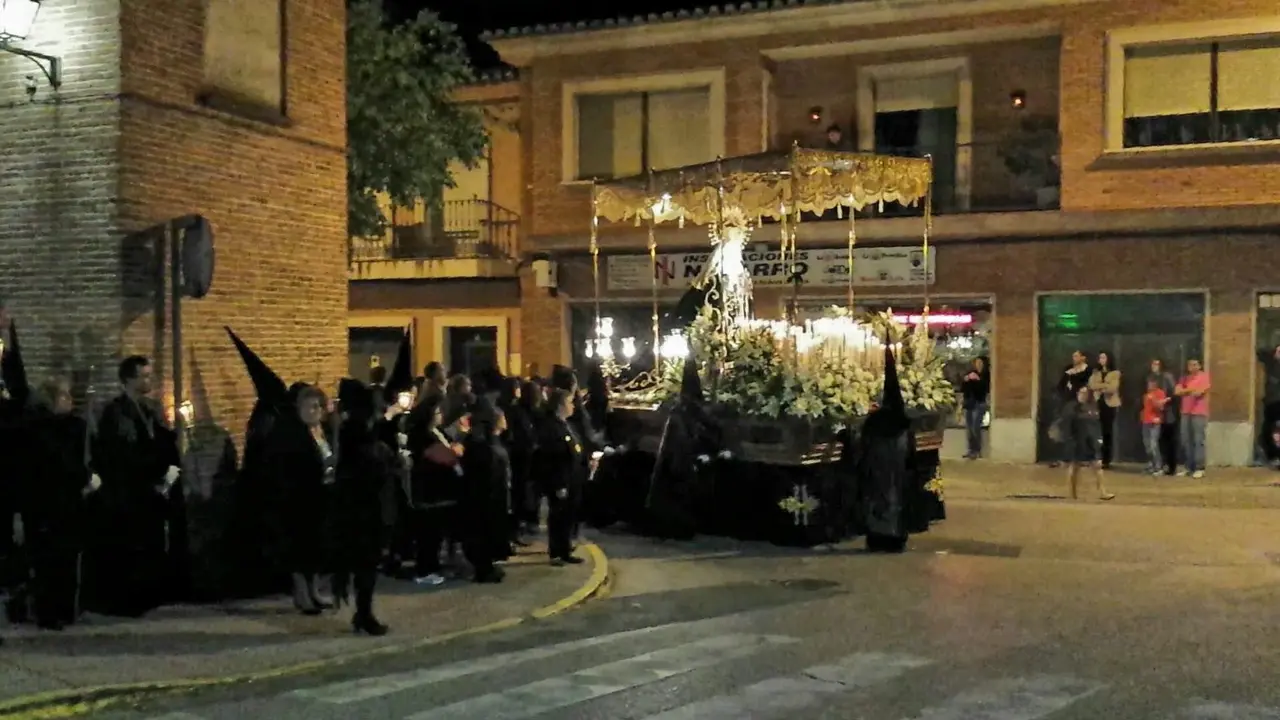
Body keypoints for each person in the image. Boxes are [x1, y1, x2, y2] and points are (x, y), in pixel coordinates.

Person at [86, 356, 184, 617]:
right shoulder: (117, 412)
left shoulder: (148, 408)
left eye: (150, 375)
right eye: (144, 376)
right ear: (129, 379)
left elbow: (159, 442)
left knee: (150, 544)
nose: (149, 380)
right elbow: (123, 454)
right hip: (128, 492)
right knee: (130, 547)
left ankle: (148, 594)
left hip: (148, 491)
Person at [23, 378, 96, 630]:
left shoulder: (69, 427)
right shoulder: (42, 431)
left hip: (64, 503)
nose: (70, 400)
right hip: (50, 503)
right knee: (51, 560)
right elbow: (59, 465)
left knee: (65, 557)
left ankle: (63, 609)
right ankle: (50, 611)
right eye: (64, 396)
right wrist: (83, 478)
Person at [331, 379, 396, 636]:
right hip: (363, 506)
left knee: (366, 562)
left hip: (360, 504)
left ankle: (363, 612)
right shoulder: (356, 432)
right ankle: (364, 613)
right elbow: (369, 466)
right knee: (366, 562)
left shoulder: (354, 430)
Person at [265, 384, 336, 615]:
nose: (314, 411)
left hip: (321, 496)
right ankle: (302, 594)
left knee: (317, 548)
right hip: (298, 499)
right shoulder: (292, 435)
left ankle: (314, 590)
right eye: (309, 407)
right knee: (299, 548)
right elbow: (289, 469)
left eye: (317, 406)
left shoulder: (322, 431)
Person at [405, 394, 460, 586]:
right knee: (428, 533)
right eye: (437, 412)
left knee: (436, 533)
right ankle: (425, 570)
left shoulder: (436, 432)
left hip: (439, 488)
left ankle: (433, 566)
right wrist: (454, 452)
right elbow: (447, 457)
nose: (440, 415)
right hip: (430, 490)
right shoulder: (424, 436)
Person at [460, 400, 512, 583]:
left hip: (489, 493)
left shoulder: (486, 441)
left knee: (488, 530)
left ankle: (487, 564)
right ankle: (483, 569)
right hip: (486, 495)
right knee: (484, 531)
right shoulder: (484, 445)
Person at [540, 389, 588, 565]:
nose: (573, 405)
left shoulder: (566, 424)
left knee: (568, 515)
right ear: (560, 405)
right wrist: (559, 484)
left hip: (573, 478)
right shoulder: (552, 428)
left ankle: (565, 549)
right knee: (559, 515)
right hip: (562, 480)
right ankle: (556, 552)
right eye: (569, 402)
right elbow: (554, 458)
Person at [498, 378, 535, 547]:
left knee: (518, 496)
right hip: (516, 457)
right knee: (515, 497)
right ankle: (511, 534)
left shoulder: (515, 408)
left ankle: (514, 532)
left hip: (519, 456)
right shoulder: (511, 410)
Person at [1063, 385, 1114, 501]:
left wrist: (1099, 438)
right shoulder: (1072, 408)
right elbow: (1068, 425)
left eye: (1084, 393)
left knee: (1098, 466)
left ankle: (1103, 492)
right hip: (1078, 441)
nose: (1082, 395)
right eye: (1080, 393)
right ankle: (1072, 493)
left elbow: (1096, 425)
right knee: (1074, 467)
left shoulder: (1093, 407)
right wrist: (1070, 440)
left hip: (1091, 441)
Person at [1175, 358, 1211, 479]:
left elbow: (1199, 392)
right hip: (1186, 412)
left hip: (1199, 412)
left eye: (1195, 364)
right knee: (1186, 440)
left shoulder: (1204, 377)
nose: (1192, 367)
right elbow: (1177, 391)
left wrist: (1185, 390)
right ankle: (1188, 467)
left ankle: (1200, 467)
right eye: (1190, 365)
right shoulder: (1184, 378)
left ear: (1200, 366)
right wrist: (1189, 390)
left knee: (1198, 440)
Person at [1089, 352, 1122, 469]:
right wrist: (1104, 385)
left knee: (1107, 431)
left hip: (1110, 405)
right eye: (1100, 358)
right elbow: (1092, 385)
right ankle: (1095, 457)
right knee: (1096, 431)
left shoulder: (1115, 373)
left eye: (1104, 357)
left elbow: (1112, 388)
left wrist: (1100, 386)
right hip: (1098, 403)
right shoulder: (1096, 372)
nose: (1101, 360)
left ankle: (1106, 459)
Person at [1148, 359, 1179, 475]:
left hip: (1168, 413)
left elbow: (1174, 394)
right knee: (1159, 441)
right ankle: (1160, 465)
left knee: (1169, 440)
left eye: (1156, 364)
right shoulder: (1151, 378)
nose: (1154, 366)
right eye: (1153, 364)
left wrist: (1164, 401)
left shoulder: (1167, 377)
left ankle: (1171, 466)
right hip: (1155, 414)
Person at [960, 357, 989, 460]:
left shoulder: (986, 375)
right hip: (969, 404)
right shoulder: (971, 373)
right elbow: (964, 389)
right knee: (969, 428)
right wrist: (966, 380)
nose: (978, 365)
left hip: (979, 403)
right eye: (977, 363)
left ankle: (977, 450)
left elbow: (985, 388)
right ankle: (971, 450)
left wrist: (978, 380)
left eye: (980, 363)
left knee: (975, 427)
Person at [1256, 346, 1280, 467]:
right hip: (1272, 402)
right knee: (1269, 429)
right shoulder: (1271, 362)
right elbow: (1259, 352)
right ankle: (1273, 456)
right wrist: (1275, 352)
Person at [1140, 378, 1169, 476]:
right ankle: (1151, 465)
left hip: (1155, 422)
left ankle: (1158, 467)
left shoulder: (1160, 393)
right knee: (1147, 445)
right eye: (1148, 383)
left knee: (1154, 445)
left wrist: (1153, 399)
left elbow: (1161, 407)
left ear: (1155, 384)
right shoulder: (1146, 394)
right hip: (1146, 421)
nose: (1149, 385)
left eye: (1151, 383)